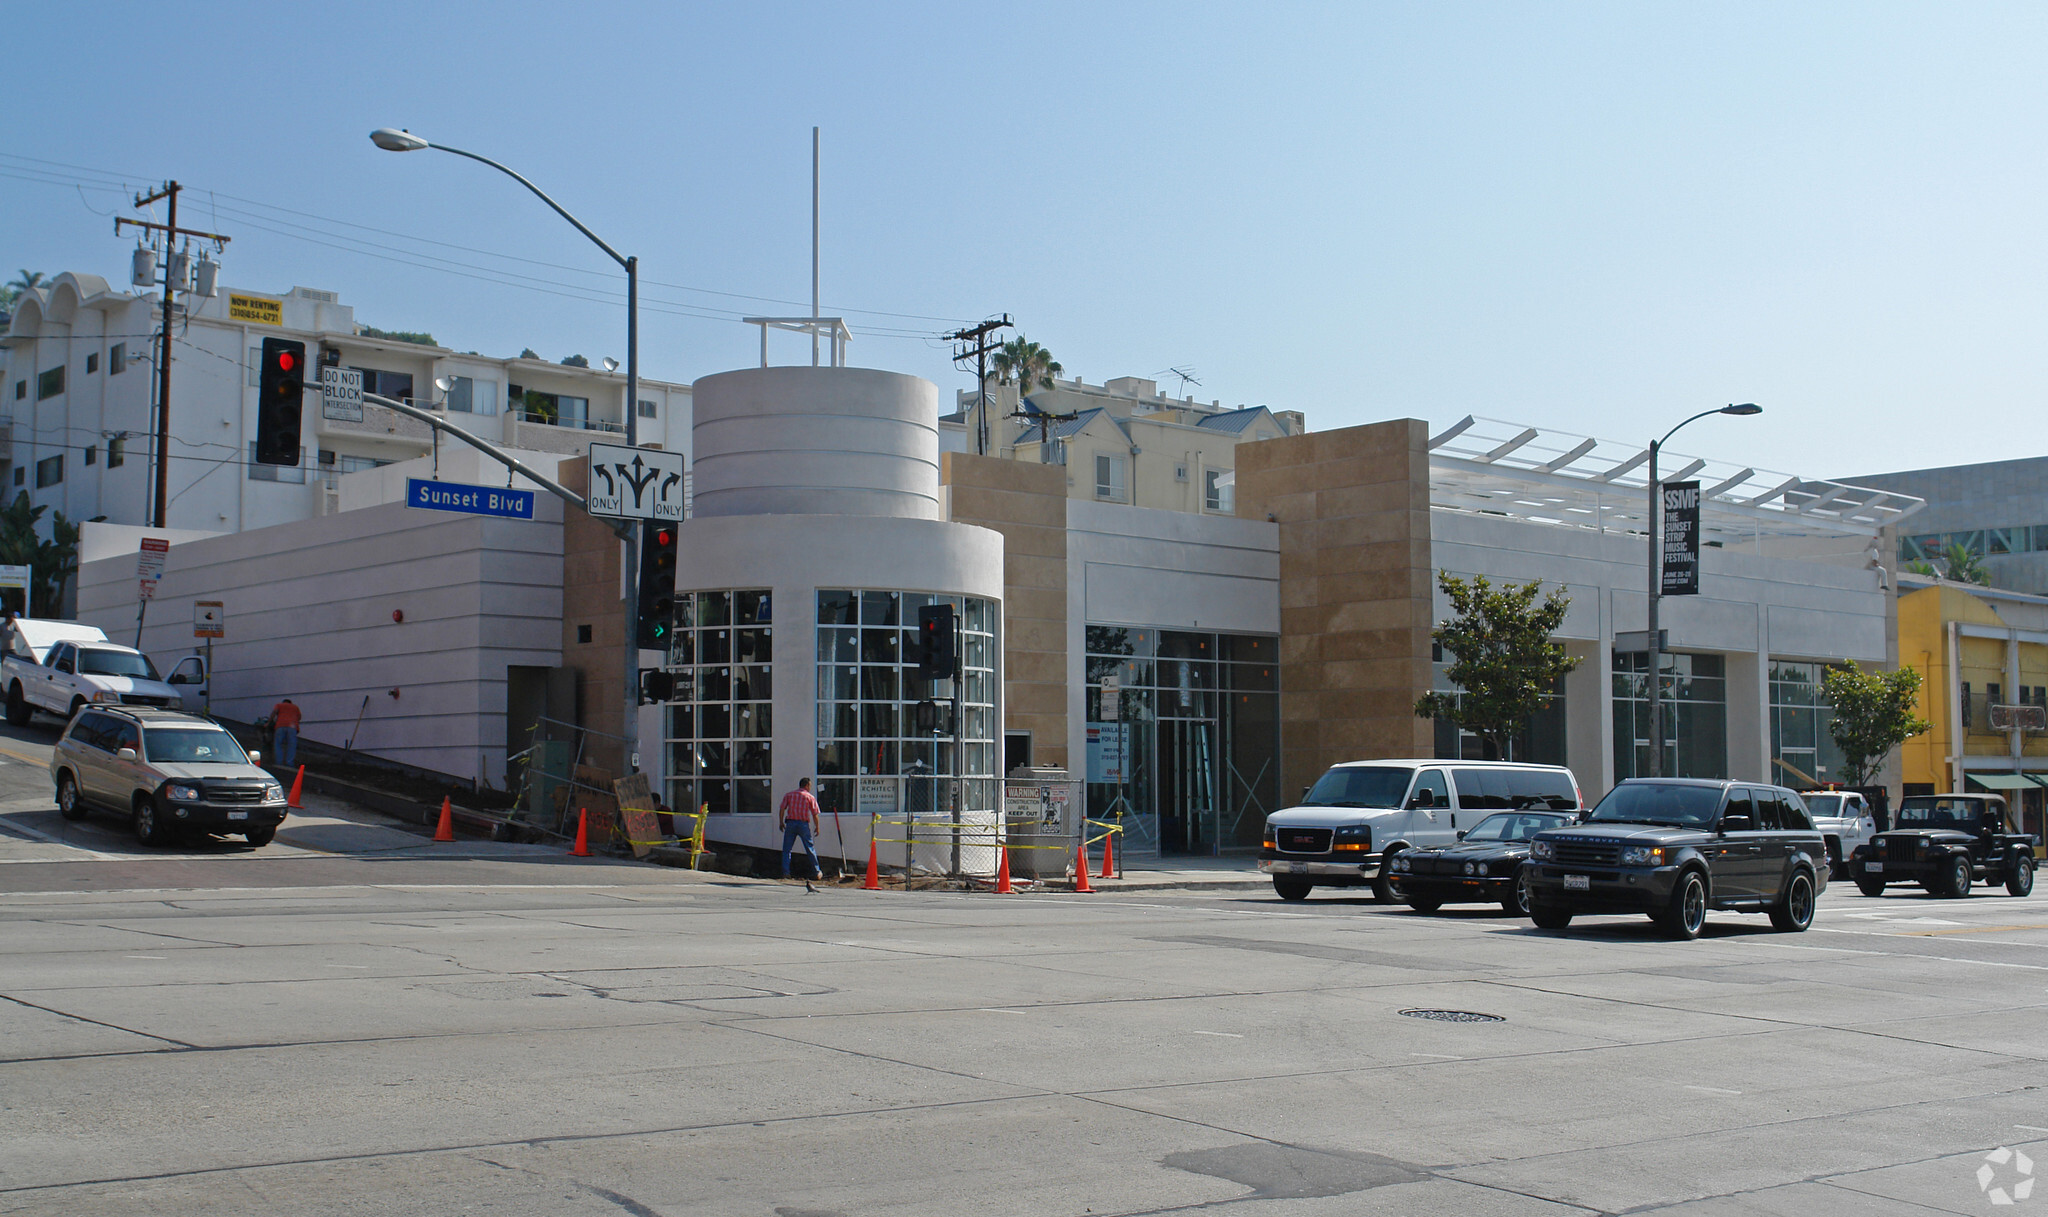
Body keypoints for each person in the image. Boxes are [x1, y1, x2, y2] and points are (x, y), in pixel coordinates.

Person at [778, 776, 824, 882]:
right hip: (803, 824)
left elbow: (782, 809)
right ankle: (817, 871)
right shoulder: (809, 797)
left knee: (787, 850)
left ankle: (786, 872)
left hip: (790, 823)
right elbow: (815, 814)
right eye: (810, 785)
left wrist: (781, 822)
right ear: (807, 785)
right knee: (810, 848)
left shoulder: (789, 795)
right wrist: (817, 827)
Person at [270, 697, 302, 769]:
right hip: (292, 727)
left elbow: (274, 712)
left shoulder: (279, 705)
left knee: (278, 744)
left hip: (280, 726)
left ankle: (279, 762)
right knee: (292, 745)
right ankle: (289, 762)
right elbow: (299, 717)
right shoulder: (295, 707)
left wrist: (269, 722)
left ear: (283, 702)